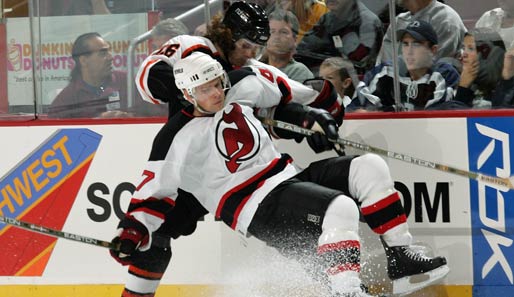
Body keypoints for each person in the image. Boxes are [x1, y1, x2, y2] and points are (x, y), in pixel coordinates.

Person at [110, 51, 450, 297]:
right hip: (253, 205)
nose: (216, 93)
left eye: (217, 83)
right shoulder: (175, 137)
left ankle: (400, 258)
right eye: (205, 90)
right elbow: (153, 193)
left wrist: (316, 114)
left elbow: (287, 91)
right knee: (342, 208)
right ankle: (347, 293)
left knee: (369, 167)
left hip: (286, 177)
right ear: (186, 93)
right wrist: (132, 230)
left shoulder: (241, 86)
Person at [137, 1, 344, 124]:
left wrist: (325, 109)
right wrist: (197, 89)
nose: (251, 53)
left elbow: (296, 91)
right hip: (188, 149)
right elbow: (146, 77)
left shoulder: (253, 69)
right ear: (227, 34)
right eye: (246, 45)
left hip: (231, 159)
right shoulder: (193, 46)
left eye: (257, 48)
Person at [48, 32, 165, 118]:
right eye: (103, 53)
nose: (110, 57)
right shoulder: (68, 97)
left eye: (109, 51)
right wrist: (98, 120)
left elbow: (159, 114)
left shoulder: (128, 82)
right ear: (83, 60)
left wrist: (130, 118)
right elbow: (53, 131)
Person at [352, 20, 460, 111]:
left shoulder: (444, 74)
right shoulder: (386, 71)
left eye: (416, 44)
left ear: (433, 50)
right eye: (405, 44)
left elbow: (432, 119)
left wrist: (386, 112)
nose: (409, 51)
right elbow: (355, 107)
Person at [296, 0, 383, 73]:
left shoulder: (367, 23)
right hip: (321, 74)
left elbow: (360, 68)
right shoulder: (327, 19)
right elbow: (304, 49)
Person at [377, 0, 467, 65]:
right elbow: (383, 66)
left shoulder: (445, 19)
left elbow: (435, 69)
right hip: (397, 86)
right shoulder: (399, 21)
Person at [453, 28, 506, 109]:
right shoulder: (460, 83)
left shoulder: (508, 89)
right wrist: (463, 87)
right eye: (464, 48)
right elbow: (455, 120)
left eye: (471, 48)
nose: (464, 54)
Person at [261, 9, 314, 83]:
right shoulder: (256, 65)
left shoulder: (300, 72)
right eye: (272, 31)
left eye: (283, 32)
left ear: (295, 39)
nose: (276, 37)